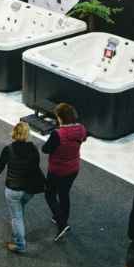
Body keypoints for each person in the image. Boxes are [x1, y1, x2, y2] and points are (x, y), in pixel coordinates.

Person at [0, 121, 43, 253]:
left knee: (16, 216)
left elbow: (0, 166)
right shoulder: (33, 149)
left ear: (14, 133)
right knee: (19, 209)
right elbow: (36, 167)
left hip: (13, 189)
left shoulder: (8, 149)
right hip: (29, 190)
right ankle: (18, 227)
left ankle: (20, 245)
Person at [42, 102, 86, 243]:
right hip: (73, 169)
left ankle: (62, 223)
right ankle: (61, 219)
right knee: (64, 194)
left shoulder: (57, 134)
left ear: (60, 117)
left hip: (57, 170)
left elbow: (45, 149)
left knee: (49, 194)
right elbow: (83, 139)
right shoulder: (81, 129)